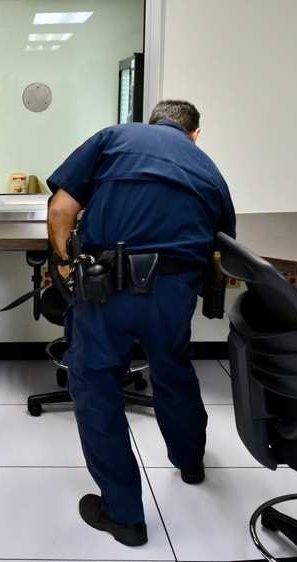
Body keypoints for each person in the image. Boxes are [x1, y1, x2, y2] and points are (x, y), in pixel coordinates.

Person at [45, 99, 236, 547]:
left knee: (96, 385)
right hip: (173, 292)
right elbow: (223, 249)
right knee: (173, 369)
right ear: (194, 133)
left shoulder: (114, 137)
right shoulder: (208, 168)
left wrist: (66, 264)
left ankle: (124, 514)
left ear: (151, 123)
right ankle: (190, 463)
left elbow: (59, 211)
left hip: (107, 286)